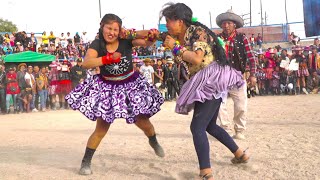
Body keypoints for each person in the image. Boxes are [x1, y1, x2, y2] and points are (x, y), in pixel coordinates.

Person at [65, 13, 165, 175]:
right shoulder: (97, 44)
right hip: (108, 88)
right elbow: (87, 63)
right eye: (109, 28)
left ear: (120, 31)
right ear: (102, 26)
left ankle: (153, 140)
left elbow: (147, 40)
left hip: (130, 86)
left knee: (143, 122)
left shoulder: (126, 41)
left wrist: (145, 35)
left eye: (115, 29)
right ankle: (86, 162)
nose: (111, 32)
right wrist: (108, 58)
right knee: (101, 128)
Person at [160, 3, 249, 179]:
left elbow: (196, 58)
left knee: (197, 127)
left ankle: (206, 171)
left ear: (179, 21)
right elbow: (151, 36)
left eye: (169, 21)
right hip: (206, 80)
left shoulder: (196, 32)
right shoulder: (181, 34)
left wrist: (175, 47)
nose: (167, 25)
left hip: (210, 80)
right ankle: (240, 154)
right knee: (209, 126)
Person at [216, 9, 257, 139]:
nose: (226, 25)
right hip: (220, 76)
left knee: (241, 105)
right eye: (224, 23)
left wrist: (253, 74)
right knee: (218, 105)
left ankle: (239, 130)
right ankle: (225, 129)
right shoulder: (216, 39)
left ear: (234, 25)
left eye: (228, 23)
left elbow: (251, 57)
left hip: (237, 76)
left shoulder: (242, 38)